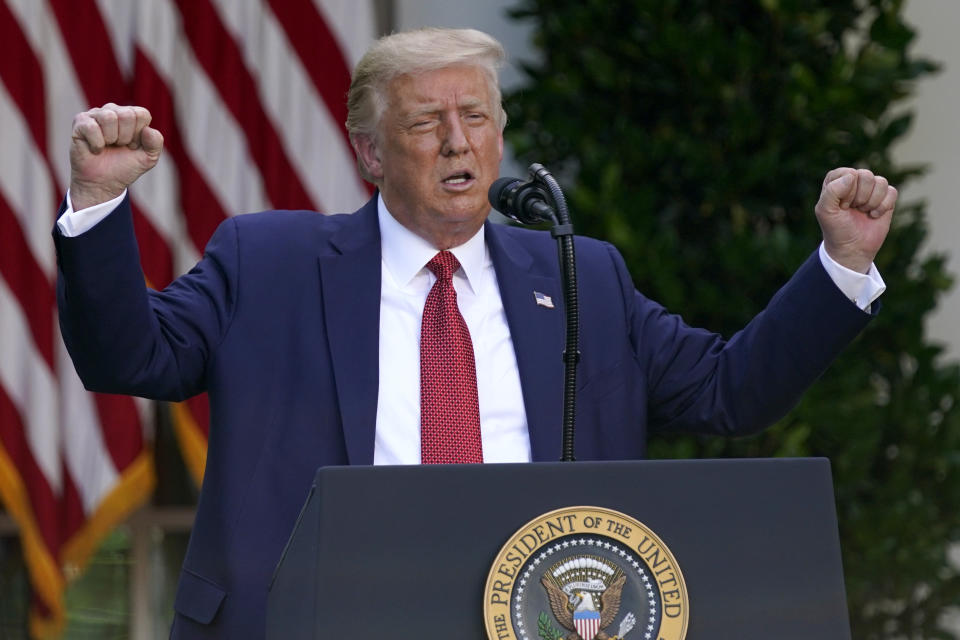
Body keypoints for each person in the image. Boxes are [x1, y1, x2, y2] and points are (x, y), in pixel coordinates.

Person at [55, 27, 895, 638]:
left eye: (478, 116)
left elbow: (725, 390)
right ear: (371, 152)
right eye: (425, 122)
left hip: (528, 616)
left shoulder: (579, 276)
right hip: (315, 621)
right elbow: (129, 355)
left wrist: (840, 266)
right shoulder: (269, 262)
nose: (458, 141)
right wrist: (97, 207)